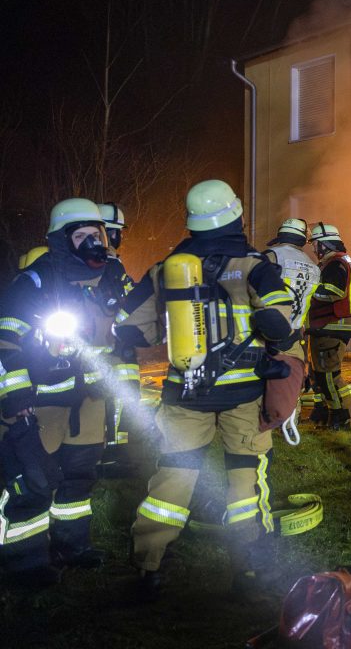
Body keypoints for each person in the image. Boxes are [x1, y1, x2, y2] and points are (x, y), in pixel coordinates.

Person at [113, 180, 293, 602]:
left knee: (172, 480)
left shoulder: (166, 268)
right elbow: (281, 325)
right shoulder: (255, 265)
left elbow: (129, 326)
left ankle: (149, 568)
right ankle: (250, 569)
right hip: (243, 395)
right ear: (235, 214)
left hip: (184, 394)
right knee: (244, 479)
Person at [0, 198, 133, 585]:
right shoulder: (35, 281)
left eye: (97, 234)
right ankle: (24, 562)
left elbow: (130, 322)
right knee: (34, 482)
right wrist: (16, 397)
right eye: (81, 235)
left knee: (78, 478)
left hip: (90, 401)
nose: (93, 242)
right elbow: (5, 340)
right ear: (62, 240)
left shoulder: (112, 274)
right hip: (43, 403)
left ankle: (72, 546)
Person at [306, 223, 351, 431]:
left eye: (316, 244)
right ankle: (323, 411)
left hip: (332, 324)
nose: (314, 249)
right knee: (317, 373)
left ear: (325, 244)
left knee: (329, 374)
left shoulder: (336, 264)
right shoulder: (335, 263)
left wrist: (307, 289)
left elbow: (333, 291)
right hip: (325, 325)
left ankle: (341, 415)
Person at [263, 219, 319, 416]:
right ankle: (289, 419)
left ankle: (261, 419)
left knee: (260, 378)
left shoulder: (272, 256)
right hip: (295, 333)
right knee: (289, 382)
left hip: (266, 330)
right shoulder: (314, 267)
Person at [97, 202, 138, 468]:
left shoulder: (110, 263)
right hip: (113, 342)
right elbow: (125, 297)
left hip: (114, 340)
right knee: (118, 391)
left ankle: (115, 446)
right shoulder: (107, 264)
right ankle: (111, 449)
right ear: (110, 232)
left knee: (122, 392)